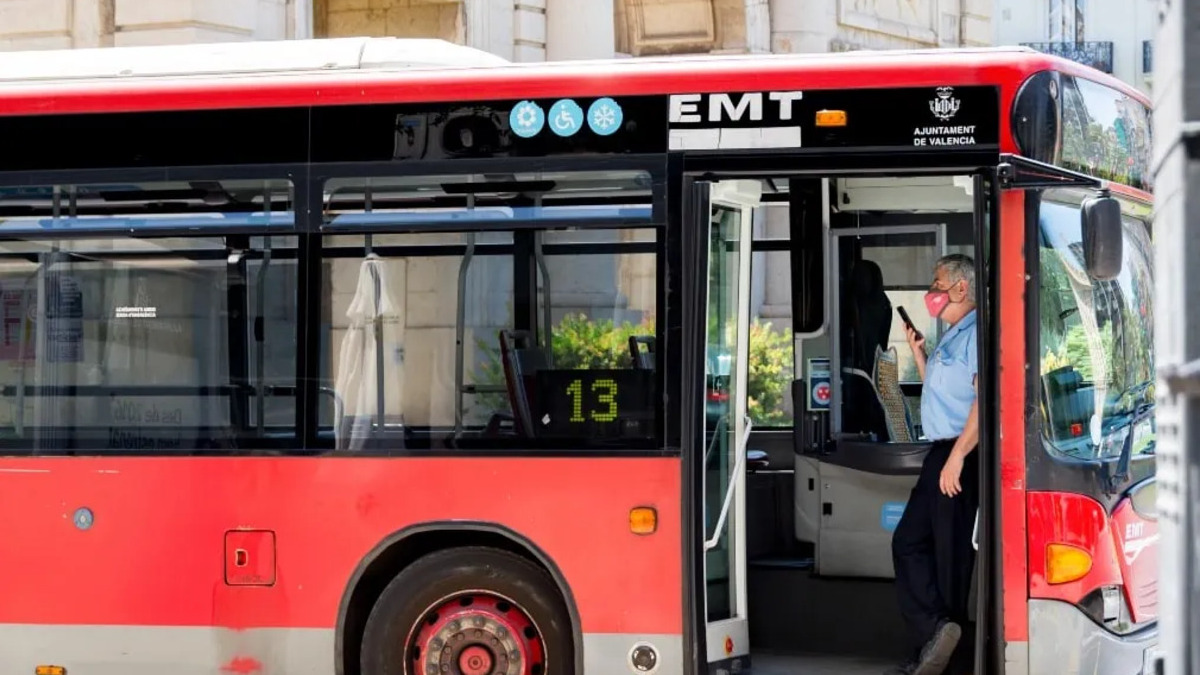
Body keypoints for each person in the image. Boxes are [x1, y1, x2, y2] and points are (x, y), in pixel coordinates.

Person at [885, 253, 980, 675]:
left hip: (961, 453)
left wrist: (958, 457)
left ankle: (950, 659)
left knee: (949, 559)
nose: (932, 291)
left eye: (938, 283)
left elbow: (985, 401)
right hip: (941, 453)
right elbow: (943, 394)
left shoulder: (977, 334)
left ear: (961, 288)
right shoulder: (952, 335)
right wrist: (920, 354)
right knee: (909, 542)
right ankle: (936, 633)